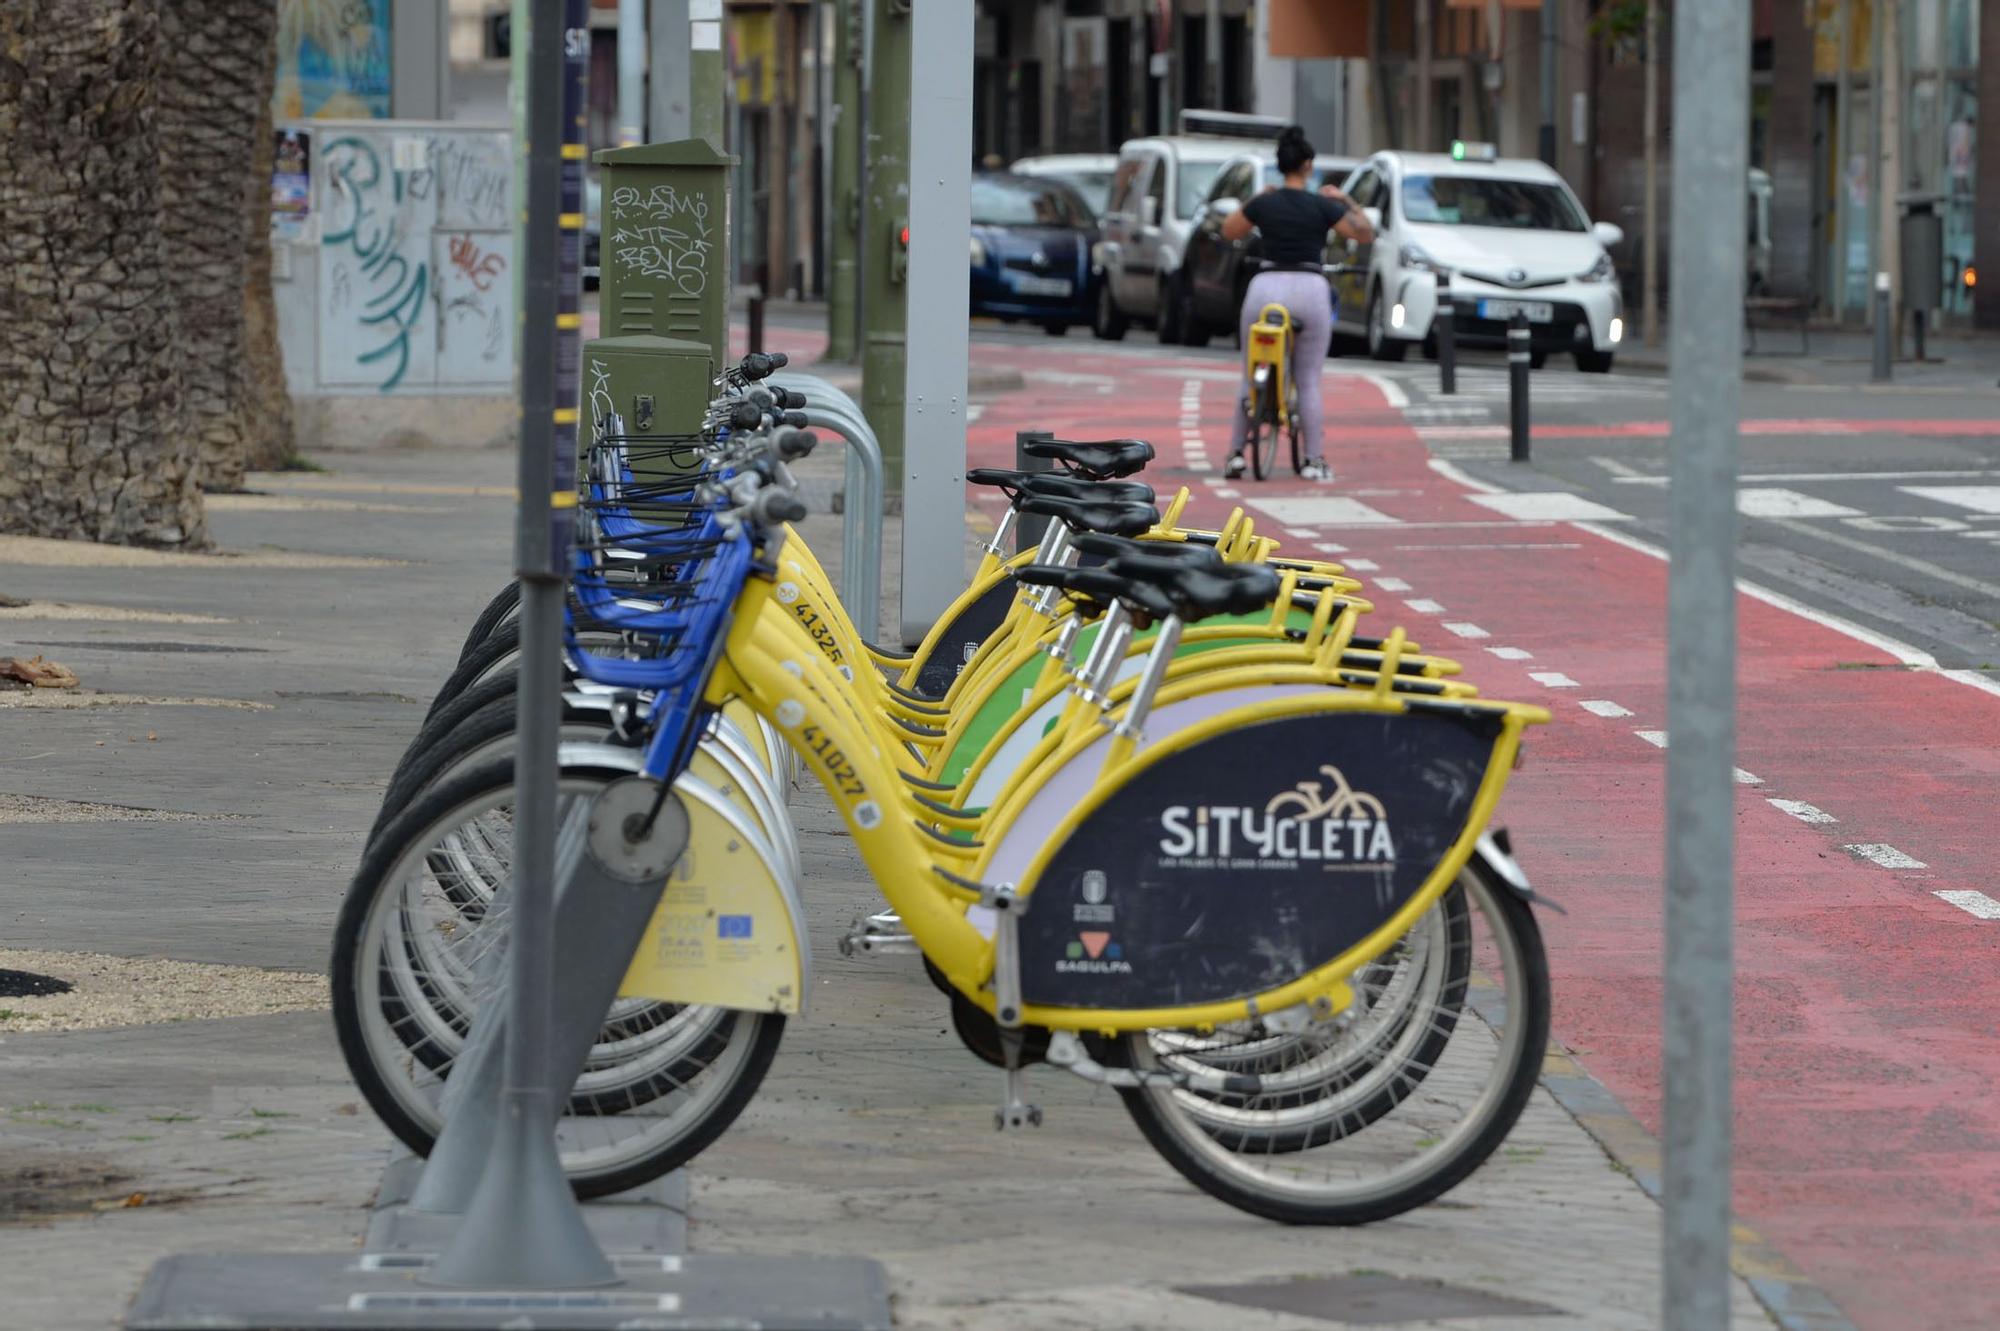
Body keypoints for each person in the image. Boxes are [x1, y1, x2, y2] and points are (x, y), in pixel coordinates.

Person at [1219, 125, 1374, 481]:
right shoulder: (1321, 205)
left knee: (1248, 374)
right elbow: (1364, 233)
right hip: (1309, 289)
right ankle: (1313, 460)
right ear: (1307, 165)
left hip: (1264, 288)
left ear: (1279, 166)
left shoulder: (1265, 202)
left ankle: (1236, 455)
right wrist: (1345, 201)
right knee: (1307, 379)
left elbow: (1229, 230)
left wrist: (1256, 199)